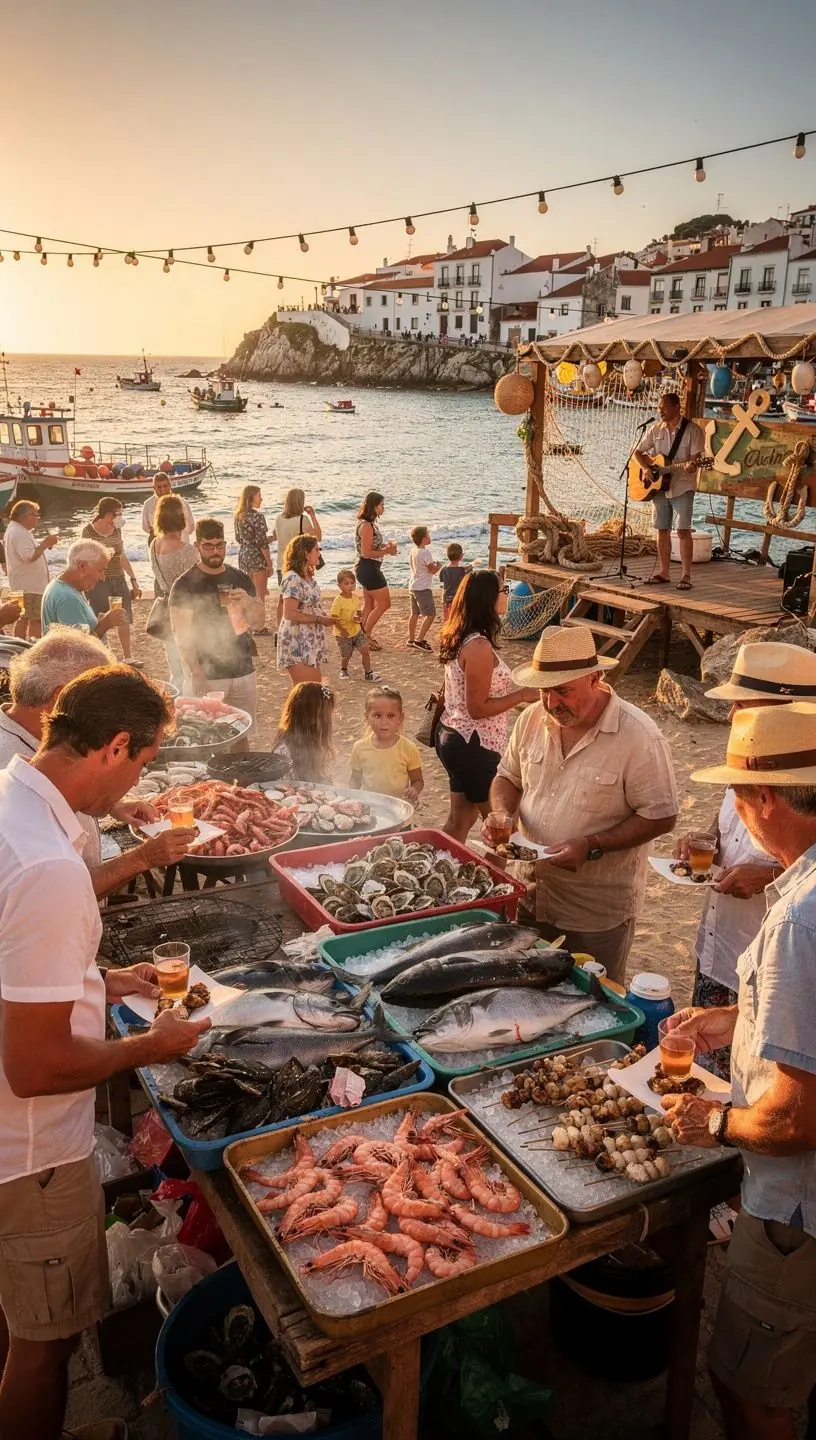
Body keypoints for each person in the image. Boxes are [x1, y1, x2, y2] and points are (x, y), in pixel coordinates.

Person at [0, 666, 210, 1440]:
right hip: (28, 1154)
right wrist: (149, 1045)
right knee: (44, 1345)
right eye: (145, 763)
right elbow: (35, 1066)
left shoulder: (10, 800)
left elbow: (13, 962)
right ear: (115, 745)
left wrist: (102, 977)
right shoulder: (50, 868)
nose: (137, 785)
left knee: (12, 1310)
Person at [664, 702, 816, 1440]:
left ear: (766, 800)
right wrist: (735, 1021)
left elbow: (794, 1120)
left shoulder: (798, 920)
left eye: (740, 794)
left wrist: (715, 1120)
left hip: (797, 1211)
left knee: (749, 1387)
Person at [482, 625, 677, 985]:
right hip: (528, 894)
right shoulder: (531, 719)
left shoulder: (639, 735)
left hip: (594, 911)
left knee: (594, 999)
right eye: (544, 691)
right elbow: (507, 778)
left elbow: (661, 815)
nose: (552, 702)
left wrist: (591, 846)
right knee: (525, 993)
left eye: (563, 690)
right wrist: (502, 814)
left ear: (595, 678)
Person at [674, 643, 816, 1079]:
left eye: (743, 704)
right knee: (717, 1073)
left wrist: (769, 875)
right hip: (722, 947)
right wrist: (707, 843)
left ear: (787, 708)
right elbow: (734, 825)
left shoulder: (798, 769)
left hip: (779, 961)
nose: (733, 714)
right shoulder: (754, 756)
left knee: (764, 1084)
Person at [0, 629, 197, 898]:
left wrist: (111, 804)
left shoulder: (42, 762)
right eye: (101, 691)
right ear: (62, 698)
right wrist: (143, 857)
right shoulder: (49, 865)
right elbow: (59, 889)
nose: (138, 779)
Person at [436, 570, 537, 843]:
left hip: (455, 736)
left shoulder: (461, 636)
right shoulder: (478, 646)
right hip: (475, 744)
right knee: (501, 829)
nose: (506, 596)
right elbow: (478, 709)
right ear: (489, 599)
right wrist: (523, 695)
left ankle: (439, 863)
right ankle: (503, 884)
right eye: (503, 591)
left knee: (461, 820)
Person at [168, 518, 263, 738]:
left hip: (243, 669)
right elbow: (180, 633)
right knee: (205, 736)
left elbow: (259, 623)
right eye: (208, 546)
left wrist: (248, 602)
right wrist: (196, 672)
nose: (215, 551)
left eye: (219, 545)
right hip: (207, 672)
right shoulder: (185, 583)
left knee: (242, 734)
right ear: (197, 546)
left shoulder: (240, 578)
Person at [632, 389, 704, 591]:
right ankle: (664, 572)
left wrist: (693, 465)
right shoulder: (655, 429)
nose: (660, 410)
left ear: (676, 408)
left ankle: (686, 575)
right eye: (659, 407)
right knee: (662, 529)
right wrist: (647, 468)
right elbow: (637, 452)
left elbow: (697, 459)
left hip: (682, 486)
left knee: (682, 530)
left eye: (664, 407)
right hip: (660, 487)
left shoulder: (693, 431)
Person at [41, 539, 131, 653]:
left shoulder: (63, 585)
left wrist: (97, 622)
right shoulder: (68, 598)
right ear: (82, 566)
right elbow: (78, 650)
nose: (103, 577)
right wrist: (105, 624)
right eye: (100, 571)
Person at [81, 498, 142, 663]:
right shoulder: (88, 532)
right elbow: (85, 558)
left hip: (119, 578)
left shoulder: (117, 530)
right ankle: (100, 656)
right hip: (99, 581)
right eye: (118, 513)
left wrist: (133, 579)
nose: (121, 517)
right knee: (99, 617)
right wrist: (97, 572)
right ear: (108, 515)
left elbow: (122, 556)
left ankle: (128, 657)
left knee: (124, 617)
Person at [149, 494, 197, 692]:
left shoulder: (154, 545)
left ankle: (175, 707)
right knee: (191, 669)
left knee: (175, 668)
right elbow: (196, 587)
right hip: (187, 611)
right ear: (181, 517)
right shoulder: (188, 551)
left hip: (166, 608)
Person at [350, 685, 423, 804]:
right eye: (377, 715)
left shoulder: (408, 748)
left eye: (391, 716)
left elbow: (418, 780)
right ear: (367, 717)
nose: (384, 721)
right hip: (370, 805)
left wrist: (414, 789)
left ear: (400, 718)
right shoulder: (359, 747)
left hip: (398, 807)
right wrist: (352, 797)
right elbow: (355, 779)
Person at [276, 534, 332, 686]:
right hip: (297, 640)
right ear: (306, 554)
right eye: (316, 550)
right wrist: (319, 619)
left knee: (308, 691)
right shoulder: (292, 578)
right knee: (309, 689)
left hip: (309, 638)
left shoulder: (307, 575)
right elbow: (289, 613)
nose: (319, 553)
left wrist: (325, 616)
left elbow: (307, 606)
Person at [2, 500, 59, 640]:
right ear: (23, 516)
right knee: (33, 619)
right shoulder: (17, 532)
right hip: (29, 586)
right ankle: (30, 645)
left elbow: (28, 552)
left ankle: (21, 643)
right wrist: (46, 543)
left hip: (25, 584)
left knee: (24, 617)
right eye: (34, 515)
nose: (37, 518)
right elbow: (28, 556)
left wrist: (44, 545)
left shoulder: (18, 530)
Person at [354, 492, 397, 652]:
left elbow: (370, 548)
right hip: (369, 568)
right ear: (374, 506)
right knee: (385, 604)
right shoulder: (366, 525)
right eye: (382, 505)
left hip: (367, 568)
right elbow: (366, 552)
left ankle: (362, 636)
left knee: (370, 605)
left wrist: (385, 548)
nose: (383, 508)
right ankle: (366, 636)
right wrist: (387, 552)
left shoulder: (367, 523)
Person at [274, 681, 335, 781]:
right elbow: (283, 787)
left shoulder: (317, 742)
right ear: (311, 717)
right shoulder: (284, 751)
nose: (330, 719)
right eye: (327, 714)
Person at [233, 484, 272, 633]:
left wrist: (270, 538)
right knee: (259, 594)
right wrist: (269, 562)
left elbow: (240, 538)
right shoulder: (257, 516)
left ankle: (248, 625)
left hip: (244, 554)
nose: (261, 498)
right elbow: (261, 542)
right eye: (259, 495)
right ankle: (259, 627)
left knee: (248, 592)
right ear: (251, 497)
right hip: (256, 556)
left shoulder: (238, 515)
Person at [330, 569, 379, 682]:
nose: (350, 586)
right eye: (346, 584)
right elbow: (334, 618)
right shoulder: (338, 601)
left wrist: (359, 617)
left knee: (365, 650)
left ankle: (368, 673)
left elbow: (357, 612)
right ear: (339, 585)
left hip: (356, 631)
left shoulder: (355, 597)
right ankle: (343, 669)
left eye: (352, 583)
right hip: (343, 634)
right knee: (346, 655)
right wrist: (342, 630)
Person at [271, 488, 322, 588]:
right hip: (298, 566)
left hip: (282, 564)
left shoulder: (279, 518)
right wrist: (312, 515)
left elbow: (275, 536)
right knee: (299, 598)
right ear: (300, 502)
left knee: (284, 597)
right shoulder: (303, 519)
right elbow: (318, 537)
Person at [407, 525, 440, 651]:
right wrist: (439, 566)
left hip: (413, 585)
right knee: (431, 614)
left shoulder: (413, 551)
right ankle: (419, 640)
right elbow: (432, 570)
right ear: (423, 539)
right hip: (423, 588)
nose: (429, 537)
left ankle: (411, 639)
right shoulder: (425, 552)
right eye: (428, 535)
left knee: (414, 613)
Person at [140, 472, 195, 540]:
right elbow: (145, 527)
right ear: (154, 488)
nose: (162, 490)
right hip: (158, 542)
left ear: (170, 486)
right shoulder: (148, 504)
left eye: (165, 486)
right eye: (159, 487)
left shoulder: (182, 503)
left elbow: (190, 528)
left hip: (180, 541)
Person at [438, 542, 471, 621]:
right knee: (457, 619)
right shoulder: (463, 570)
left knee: (447, 619)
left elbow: (441, 579)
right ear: (461, 557)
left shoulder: (444, 569)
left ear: (447, 556)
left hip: (446, 598)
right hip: (458, 598)